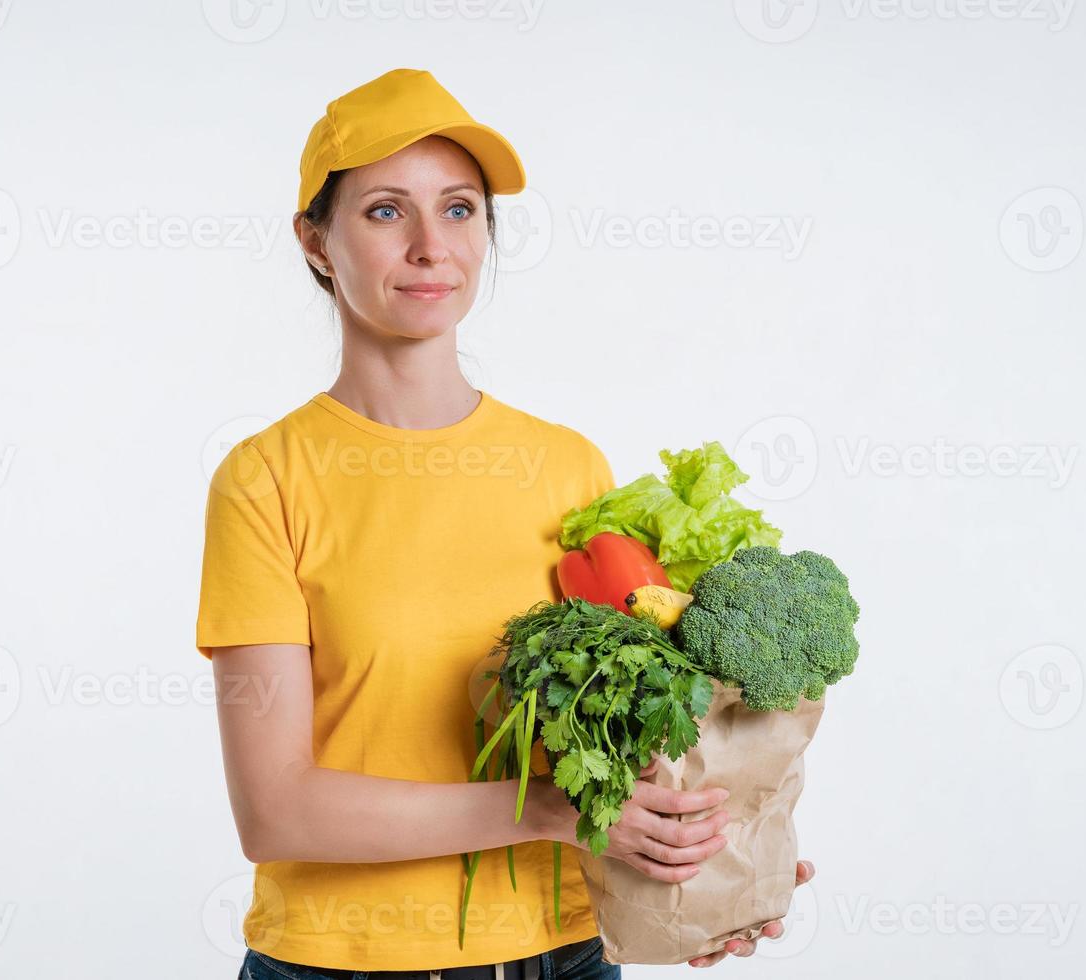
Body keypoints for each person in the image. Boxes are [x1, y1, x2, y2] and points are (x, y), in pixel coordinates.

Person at [196, 68, 812, 980]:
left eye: (457, 209)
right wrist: (551, 812)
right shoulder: (266, 480)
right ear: (315, 241)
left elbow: (620, 743)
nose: (428, 247)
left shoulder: (567, 467)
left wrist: (703, 863)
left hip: (563, 953)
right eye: (382, 212)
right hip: (344, 962)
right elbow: (277, 813)